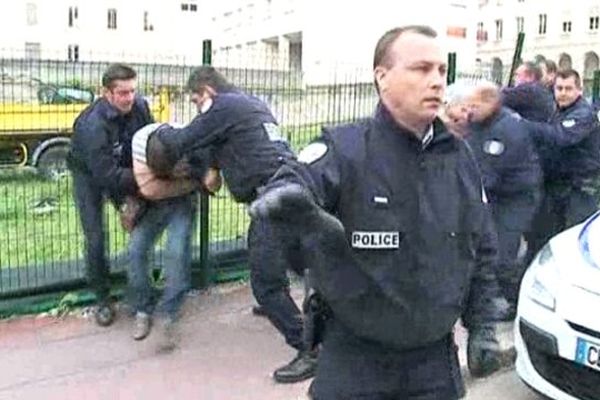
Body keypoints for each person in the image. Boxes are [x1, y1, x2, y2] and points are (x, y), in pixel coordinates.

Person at [251, 25, 508, 399]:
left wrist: (482, 324)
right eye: (421, 69)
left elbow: (480, 247)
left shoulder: (460, 158)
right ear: (382, 77)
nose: (436, 81)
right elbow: (295, 182)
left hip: (433, 363)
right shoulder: (345, 148)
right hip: (356, 361)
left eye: (440, 71)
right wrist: (294, 205)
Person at [148, 66, 317, 382]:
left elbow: (183, 140)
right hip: (293, 189)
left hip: (274, 196)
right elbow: (222, 145)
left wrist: (156, 133)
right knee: (298, 261)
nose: (198, 107)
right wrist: (209, 167)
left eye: (197, 101)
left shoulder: (223, 106)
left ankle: (310, 347)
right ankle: (310, 313)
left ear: (208, 92)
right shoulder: (250, 104)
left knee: (266, 283)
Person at [67, 63, 153, 327]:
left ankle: (139, 290)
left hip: (124, 167)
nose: (130, 98)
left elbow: (148, 142)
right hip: (89, 176)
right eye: (123, 93)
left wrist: (136, 199)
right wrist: (133, 193)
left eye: (132, 91)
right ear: (106, 93)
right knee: (95, 237)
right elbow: (105, 176)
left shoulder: (140, 107)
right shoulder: (91, 125)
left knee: (142, 220)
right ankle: (102, 299)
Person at [126, 122, 221, 350]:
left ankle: (169, 313)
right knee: (136, 250)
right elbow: (148, 188)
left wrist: (210, 176)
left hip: (183, 203)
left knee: (177, 252)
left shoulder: (195, 144)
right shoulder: (140, 141)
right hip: (150, 202)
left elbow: (213, 184)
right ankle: (142, 308)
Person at [465, 82, 542, 319]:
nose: (470, 110)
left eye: (475, 105)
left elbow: (487, 173)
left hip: (517, 198)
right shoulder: (479, 123)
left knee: (501, 250)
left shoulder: (506, 128)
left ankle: (511, 302)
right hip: (497, 196)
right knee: (484, 245)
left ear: (490, 103)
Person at [524, 68, 600, 261]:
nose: (563, 93)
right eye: (559, 88)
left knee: (574, 249)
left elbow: (561, 137)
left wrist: (523, 125)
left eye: (568, 88)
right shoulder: (556, 112)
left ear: (579, 90)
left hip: (580, 191)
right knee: (540, 239)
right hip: (556, 189)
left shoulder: (584, 114)